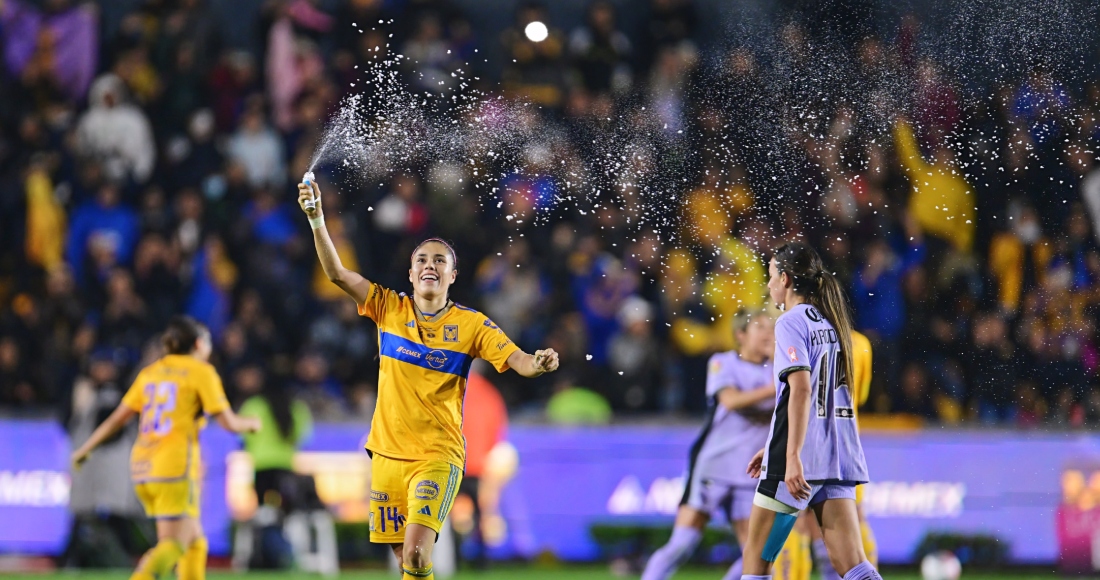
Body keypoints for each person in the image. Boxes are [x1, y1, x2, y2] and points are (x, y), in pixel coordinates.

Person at [297, 180, 560, 580]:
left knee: (418, 554)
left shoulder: (471, 325)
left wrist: (537, 363)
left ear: (452, 275)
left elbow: (518, 360)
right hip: (387, 454)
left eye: (439, 260)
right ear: (411, 273)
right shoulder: (388, 307)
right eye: (422, 259)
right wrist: (317, 218)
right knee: (406, 560)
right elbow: (336, 273)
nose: (430, 265)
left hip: (437, 455)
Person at [70, 316, 261, 580]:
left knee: (195, 543)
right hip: (175, 468)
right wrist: (251, 423)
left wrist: (85, 449)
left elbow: (117, 419)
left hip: (144, 468)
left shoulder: (151, 373)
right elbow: (228, 422)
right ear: (198, 344)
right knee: (174, 545)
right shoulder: (200, 372)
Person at [740, 242, 882, 580]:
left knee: (756, 565)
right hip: (838, 455)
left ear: (786, 279)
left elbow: (801, 390)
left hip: (800, 459)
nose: (768, 284)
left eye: (771, 275)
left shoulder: (790, 322)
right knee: (854, 565)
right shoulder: (835, 323)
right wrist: (773, 443)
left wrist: (790, 455)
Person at [642, 307, 776, 580]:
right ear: (741, 335)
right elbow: (730, 400)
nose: (768, 333)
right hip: (715, 466)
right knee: (682, 544)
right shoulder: (722, 362)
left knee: (755, 554)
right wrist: (779, 387)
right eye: (760, 327)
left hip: (750, 471)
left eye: (770, 327)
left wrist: (782, 371)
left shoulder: (778, 368)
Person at [773, 330, 877, 580]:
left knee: (794, 522)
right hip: (843, 447)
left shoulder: (796, 333)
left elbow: (791, 393)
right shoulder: (860, 343)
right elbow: (859, 397)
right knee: (851, 523)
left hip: (802, 443)